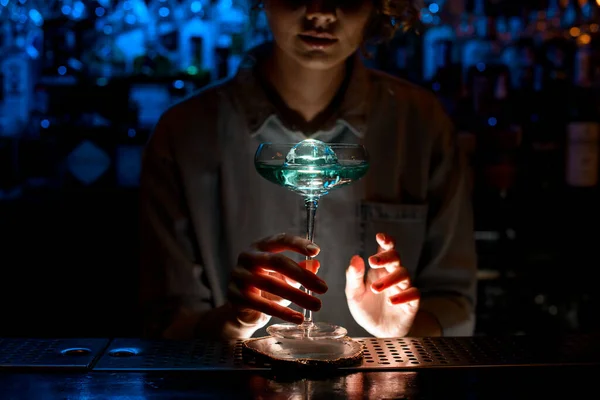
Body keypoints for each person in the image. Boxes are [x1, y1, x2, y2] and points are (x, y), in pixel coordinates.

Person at [139, 0, 477, 340]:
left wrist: (405, 329)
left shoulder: (421, 124)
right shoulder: (184, 133)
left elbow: (455, 302)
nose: (322, 12)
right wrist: (234, 321)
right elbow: (165, 321)